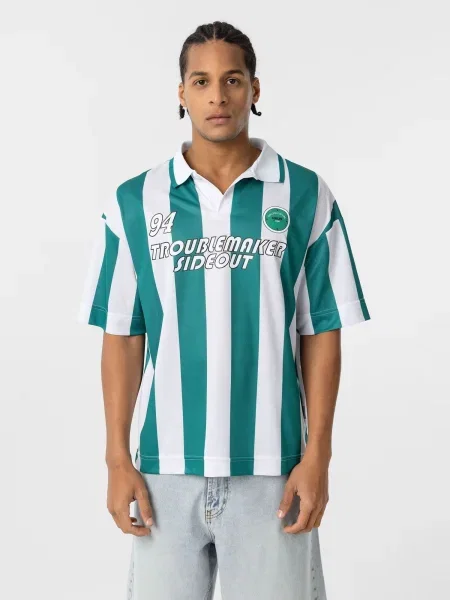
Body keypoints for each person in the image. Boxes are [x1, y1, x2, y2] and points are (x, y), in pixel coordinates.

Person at [77, 20, 370, 600]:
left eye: (232, 80)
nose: (217, 95)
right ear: (181, 93)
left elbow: (321, 331)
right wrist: (116, 459)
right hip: (164, 471)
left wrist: (318, 455)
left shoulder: (306, 195)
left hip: (274, 470)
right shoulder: (135, 202)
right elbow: (123, 334)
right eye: (201, 81)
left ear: (254, 90)